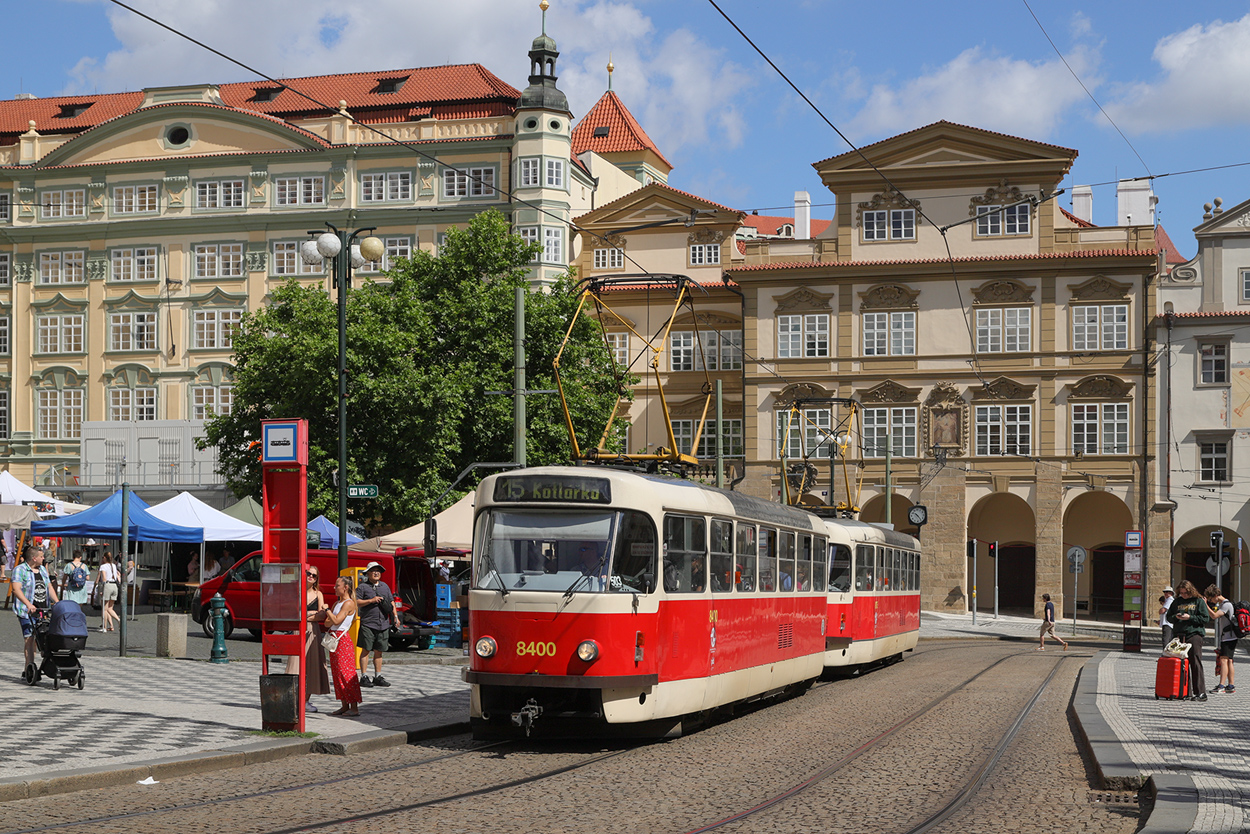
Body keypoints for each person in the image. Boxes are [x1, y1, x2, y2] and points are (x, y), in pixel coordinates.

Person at [286, 565, 332, 712]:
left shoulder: (318, 594)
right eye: (309, 574)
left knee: (312, 665)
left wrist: (306, 615)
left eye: (314, 575)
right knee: (295, 664)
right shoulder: (296, 592)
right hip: (298, 630)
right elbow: (293, 612)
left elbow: (321, 614)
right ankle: (294, 699)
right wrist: (311, 614)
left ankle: (306, 700)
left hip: (313, 631)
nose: (311, 577)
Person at [12, 545, 58, 670]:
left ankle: (30, 668)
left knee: (40, 638)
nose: (43, 558)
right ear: (34, 558)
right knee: (29, 639)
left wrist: (57, 602)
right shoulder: (20, 570)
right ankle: (29, 668)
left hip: (42, 610)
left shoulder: (42, 569)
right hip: (27, 611)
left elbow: (49, 587)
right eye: (41, 556)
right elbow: (16, 589)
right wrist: (28, 604)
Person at [355, 562, 399, 688]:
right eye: (373, 570)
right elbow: (357, 602)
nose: (376, 573)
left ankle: (378, 676)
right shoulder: (362, 587)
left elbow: (391, 602)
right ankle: (364, 676)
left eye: (378, 571)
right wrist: (371, 600)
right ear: (368, 573)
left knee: (379, 651)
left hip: (383, 624)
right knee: (366, 650)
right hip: (368, 623)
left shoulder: (384, 586)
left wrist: (395, 617)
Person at [322, 575, 361, 716]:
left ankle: (354, 706)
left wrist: (327, 610)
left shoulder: (349, 603)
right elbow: (328, 623)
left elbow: (336, 621)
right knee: (337, 673)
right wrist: (331, 615)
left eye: (337, 585)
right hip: (334, 638)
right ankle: (344, 704)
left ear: (345, 587)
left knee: (346, 673)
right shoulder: (337, 603)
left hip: (342, 639)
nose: (334, 588)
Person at [1170, 579, 1211, 701]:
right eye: (1181, 593)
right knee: (1181, 663)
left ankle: (1200, 693)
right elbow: (1169, 617)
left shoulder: (1198, 601)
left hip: (1194, 634)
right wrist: (1176, 617)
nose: (1183, 595)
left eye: (1186, 593)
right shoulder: (1177, 602)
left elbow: (1205, 618)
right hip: (1179, 635)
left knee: (1195, 662)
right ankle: (1184, 691)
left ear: (1191, 591)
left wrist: (1190, 617)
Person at [1205, 585, 1236, 695]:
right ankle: (1231, 685)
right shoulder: (1225, 604)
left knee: (1223, 660)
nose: (1211, 601)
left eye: (1211, 599)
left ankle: (1221, 686)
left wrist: (1205, 605)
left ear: (1216, 596)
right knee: (1229, 660)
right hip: (1230, 636)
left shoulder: (1226, 605)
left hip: (1228, 637)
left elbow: (1214, 616)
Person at [96, 552, 121, 633]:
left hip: (108, 585)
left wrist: (102, 589)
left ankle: (104, 627)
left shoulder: (103, 566)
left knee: (104, 608)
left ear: (104, 558)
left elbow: (104, 578)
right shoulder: (113, 565)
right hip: (114, 586)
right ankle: (118, 620)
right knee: (110, 608)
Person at [1159, 585, 1175, 651]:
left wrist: (1160, 610)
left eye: (1167, 592)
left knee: (1166, 640)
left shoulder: (1170, 600)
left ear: (1171, 593)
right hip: (1166, 622)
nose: (1165, 593)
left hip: (1167, 623)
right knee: (1168, 639)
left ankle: (1166, 653)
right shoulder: (1167, 600)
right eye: (1164, 592)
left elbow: (1162, 610)